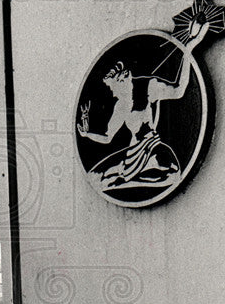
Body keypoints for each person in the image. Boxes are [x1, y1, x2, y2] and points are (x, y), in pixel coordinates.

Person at [77, 15, 210, 190]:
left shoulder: (148, 87)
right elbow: (108, 137)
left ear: (124, 79)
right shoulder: (120, 106)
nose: (112, 92)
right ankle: (125, 179)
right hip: (131, 153)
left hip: (152, 148)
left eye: (113, 86)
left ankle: (127, 181)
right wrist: (87, 134)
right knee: (94, 177)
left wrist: (189, 48)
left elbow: (178, 91)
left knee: (172, 174)